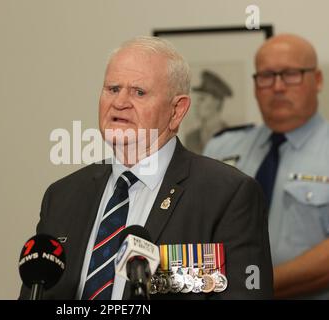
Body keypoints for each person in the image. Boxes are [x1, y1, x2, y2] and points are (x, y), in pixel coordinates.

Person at [20, 36, 273, 300]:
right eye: (112, 88)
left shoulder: (227, 194)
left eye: (139, 92)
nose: (120, 102)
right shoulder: (62, 196)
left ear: (177, 111)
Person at [204, 34, 329, 299]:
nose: (278, 87)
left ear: (317, 80)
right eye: (266, 76)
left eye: (291, 74)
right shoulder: (222, 148)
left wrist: (251, 285)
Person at [185, 70, 232, 154]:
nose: (196, 104)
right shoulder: (190, 138)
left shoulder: (232, 137)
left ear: (216, 102)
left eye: (202, 99)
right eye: (197, 100)